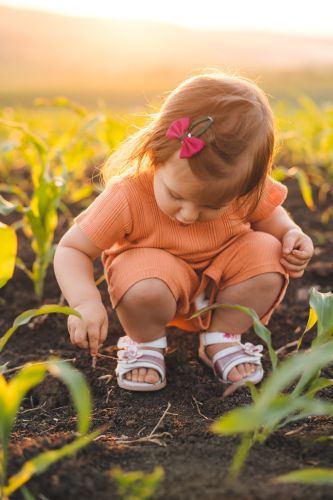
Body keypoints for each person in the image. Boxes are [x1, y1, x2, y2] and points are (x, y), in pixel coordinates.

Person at [54, 70, 314, 395]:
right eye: (176, 195)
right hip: (154, 286)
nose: (189, 215)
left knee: (267, 251)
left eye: (212, 205)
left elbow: (270, 216)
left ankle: (222, 338)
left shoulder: (241, 188)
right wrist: (85, 301)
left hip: (223, 284)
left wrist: (290, 233)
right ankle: (145, 343)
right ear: (155, 153)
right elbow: (72, 250)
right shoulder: (128, 195)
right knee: (144, 283)